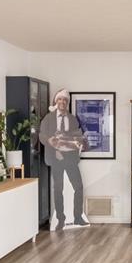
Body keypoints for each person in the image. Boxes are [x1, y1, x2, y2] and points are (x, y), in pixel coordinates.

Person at [38, 89, 87, 230]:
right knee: (58, 188)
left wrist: (79, 142)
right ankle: (60, 219)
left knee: (78, 187)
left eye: (65, 100)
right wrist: (52, 145)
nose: (62, 102)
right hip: (55, 159)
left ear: (67, 103)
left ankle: (78, 217)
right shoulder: (48, 118)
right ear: (56, 101)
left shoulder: (72, 118)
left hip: (71, 158)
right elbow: (42, 136)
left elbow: (78, 135)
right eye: (60, 100)